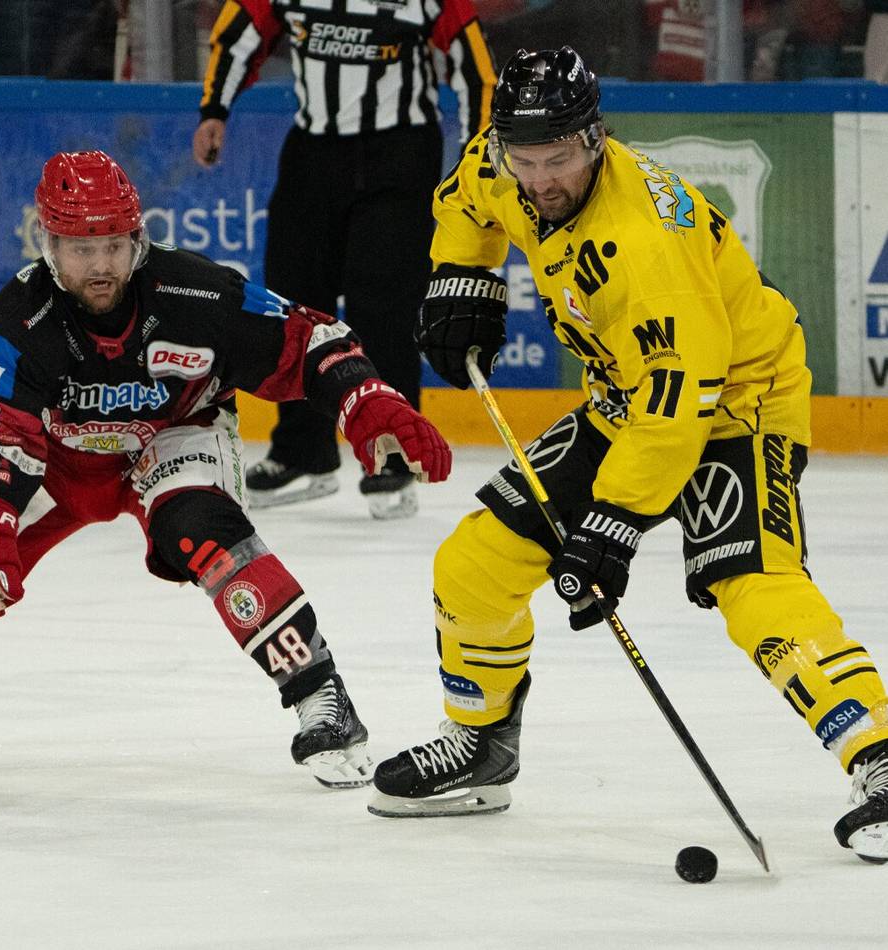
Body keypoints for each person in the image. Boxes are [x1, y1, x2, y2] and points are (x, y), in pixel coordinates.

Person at [367, 47, 888, 862]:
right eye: (525, 159)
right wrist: (462, 279)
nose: (540, 180)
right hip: (628, 398)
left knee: (752, 584)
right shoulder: (503, 162)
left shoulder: (645, 244)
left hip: (735, 402)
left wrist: (611, 528)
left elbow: (679, 412)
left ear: (595, 139)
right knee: (474, 564)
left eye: (558, 160)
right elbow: (466, 200)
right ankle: (481, 743)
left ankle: (879, 754)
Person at [0, 150, 450, 789]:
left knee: (201, 528)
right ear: (49, 245)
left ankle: (320, 696)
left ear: (137, 239)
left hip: (172, 439)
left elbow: (308, 340)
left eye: (114, 245)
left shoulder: (196, 293)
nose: (100, 266)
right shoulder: (12, 324)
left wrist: (366, 399)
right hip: (54, 459)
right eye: (81, 248)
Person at [192, 0, 496, 519]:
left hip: (400, 152)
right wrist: (214, 110)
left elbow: (474, 67)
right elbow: (239, 32)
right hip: (315, 150)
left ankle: (393, 453)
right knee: (292, 298)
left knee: (384, 300)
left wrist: (476, 155)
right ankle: (303, 453)